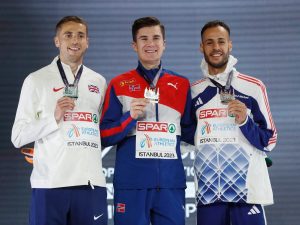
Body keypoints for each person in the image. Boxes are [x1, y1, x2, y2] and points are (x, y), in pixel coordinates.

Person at [11, 16, 107, 225]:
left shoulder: (98, 81)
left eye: (81, 35)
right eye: (68, 35)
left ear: (87, 42)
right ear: (57, 41)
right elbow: (18, 136)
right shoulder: (36, 80)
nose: (75, 41)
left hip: (90, 184)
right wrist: (52, 118)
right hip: (50, 184)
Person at [100, 16, 194, 225]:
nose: (150, 44)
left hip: (171, 185)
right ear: (135, 45)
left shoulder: (181, 84)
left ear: (164, 44)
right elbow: (104, 136)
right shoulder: (118, 84)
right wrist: (129, 118)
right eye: (143, 39)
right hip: (131, 185)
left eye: (156, 38)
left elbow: (191, 132)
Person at [191, 20, 277, 225]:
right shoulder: (194, 92)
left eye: (221, 41)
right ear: (201, 47)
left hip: (247, 193)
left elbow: (270, 140)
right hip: (209, 193)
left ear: (230, 44)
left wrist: (245, 122)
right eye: (209, 42)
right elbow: (187, 136)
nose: (216, 47)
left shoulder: (253, 87)